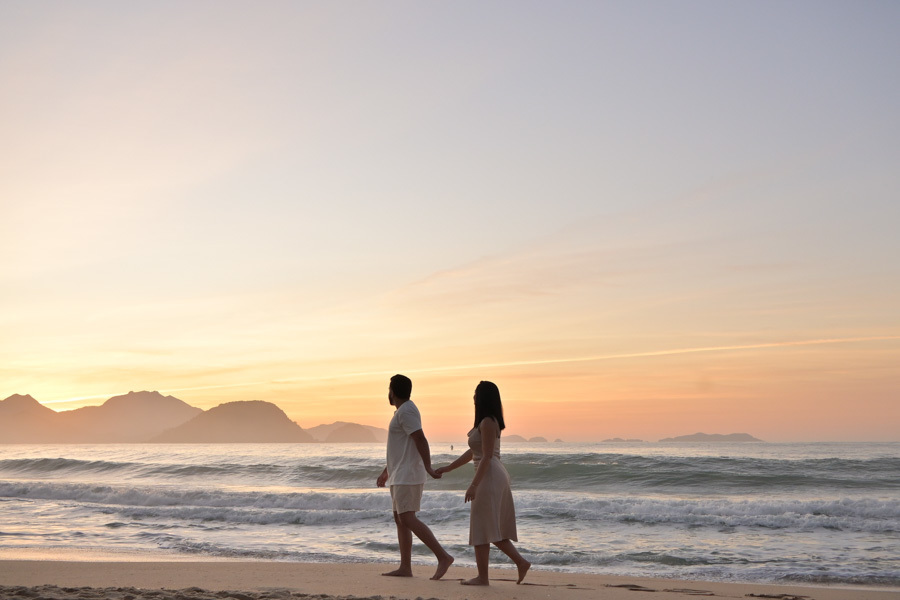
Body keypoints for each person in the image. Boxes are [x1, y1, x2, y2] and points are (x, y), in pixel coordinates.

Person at [436, 381, 530, 586]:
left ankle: (486, 576)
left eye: (476, 394)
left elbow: (486, 456)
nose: (473, 397)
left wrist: (474, 485)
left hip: (490, 476)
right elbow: (474, 453)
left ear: (483, 398)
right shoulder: (486, 422)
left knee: (482, 527)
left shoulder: (487, 422)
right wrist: (449, 468)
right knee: (487, 527)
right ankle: (516, 564)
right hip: (493, 474)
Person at [376, 374, 454, 580]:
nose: (388, 392)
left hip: (408, 474)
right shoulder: (402, 411)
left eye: (389, 389)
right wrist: (387, 470)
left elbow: (420, 438)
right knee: (400, 519)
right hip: (399, 473)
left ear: (393, 391)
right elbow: (402, 447)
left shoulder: (407, 410)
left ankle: (443, 557)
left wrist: (428, 467)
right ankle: (405, 567)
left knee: (407, 518)